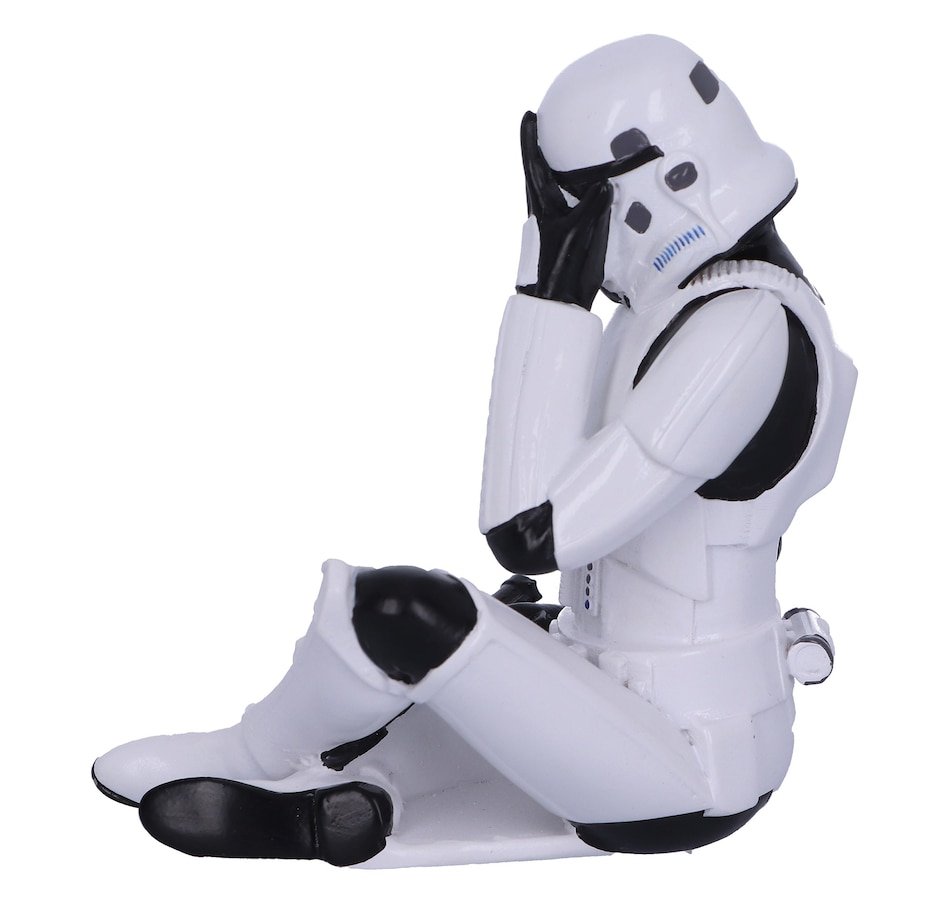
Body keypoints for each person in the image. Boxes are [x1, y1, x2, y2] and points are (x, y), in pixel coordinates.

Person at [93, 35, 855, 867]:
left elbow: (529, 527)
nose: (574, 230)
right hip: (613, 682)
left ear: (660, 184)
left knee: (403, 615)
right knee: (426, 673)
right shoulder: (687, 306)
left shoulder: (743, 332)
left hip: (686, 760)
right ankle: (346, 797)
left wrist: (550, 289)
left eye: (579, 207)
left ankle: (260, 759)